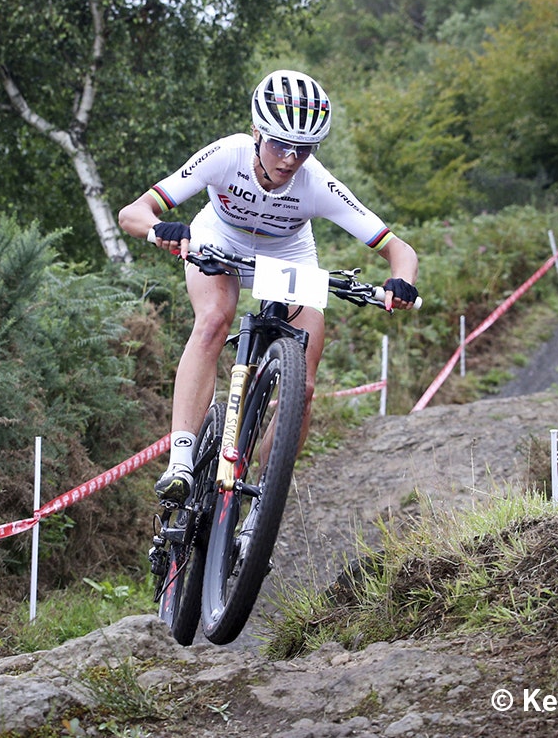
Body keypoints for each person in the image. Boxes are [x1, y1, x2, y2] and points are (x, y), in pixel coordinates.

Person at [119, 69, 420, 502]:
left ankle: (263, 497)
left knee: (306, 384)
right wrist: (159, 228)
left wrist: (401, 282)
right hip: (219, 241)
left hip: (288, 255)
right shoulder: (227, 154)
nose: (290, 159)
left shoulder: (317, 183)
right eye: (280, 144)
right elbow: (133, 212)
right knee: (214, 320)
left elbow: (400, 250)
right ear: (257, 132)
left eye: (304, 149)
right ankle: (181, 461)